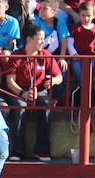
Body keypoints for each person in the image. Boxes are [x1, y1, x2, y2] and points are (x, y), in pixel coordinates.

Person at [5, 22, 63, 162]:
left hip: (41, 90)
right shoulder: (16, 56)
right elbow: (10, 81)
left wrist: (53, 82)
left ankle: (42, 150)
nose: (43, 42)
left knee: (46, 108)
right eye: (40, 39)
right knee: (19, 108)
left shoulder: (46, 55)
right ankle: (17, 151)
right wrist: (22, 94)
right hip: (20, 90)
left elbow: (59, 77)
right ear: (29, 40)